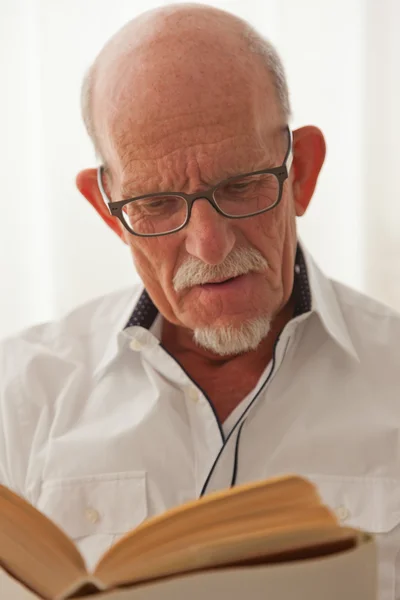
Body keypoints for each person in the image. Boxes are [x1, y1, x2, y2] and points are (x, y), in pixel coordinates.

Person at [1, 3, 399, 598]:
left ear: (304, 174)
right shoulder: (19, 393)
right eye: (156, 204)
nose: (209, 247)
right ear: (109, 213)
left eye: (241, 187)